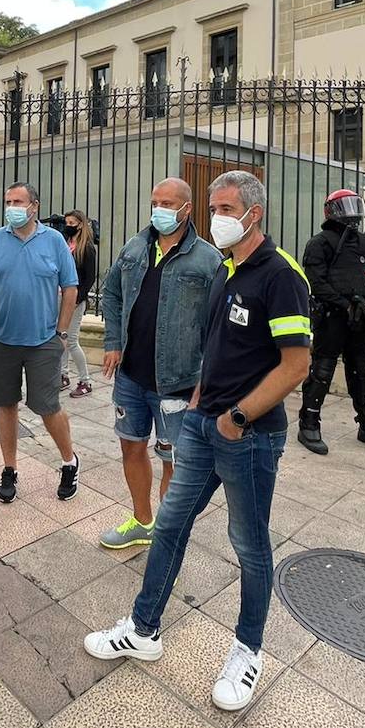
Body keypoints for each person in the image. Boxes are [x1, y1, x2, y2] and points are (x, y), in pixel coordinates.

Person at [84, 171, 310, 713]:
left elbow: (296, 364)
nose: (218, 216)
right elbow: (215, 344)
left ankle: (247, 651)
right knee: (170, 524)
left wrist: (237, 415)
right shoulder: (227, 269)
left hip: (249, 436)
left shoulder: (280, 276)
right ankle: (143, 628)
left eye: (227, 207)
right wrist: (203, 402)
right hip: (204, 423)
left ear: (254, 212)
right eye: (214, 206)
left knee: (249, 545)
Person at [98, 178, 221, 549]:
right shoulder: (136, 246)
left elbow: (218, 325)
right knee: (131, 446)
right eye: (155, 202)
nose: (159, 210)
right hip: (131, 377)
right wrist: (113, 342)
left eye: (168, 203)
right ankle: (142, 521)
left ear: (186, 209)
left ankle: (166, 538)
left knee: (173, 460)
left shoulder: (207, 259)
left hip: (179, 382)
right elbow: (112, 293)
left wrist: (206, 379)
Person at [0, 182, 80, 504]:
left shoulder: (53, 242)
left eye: (17, 201)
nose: (11, 207)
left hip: (43, 342)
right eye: (7, 201)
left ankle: (69, 461)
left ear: (34, 206)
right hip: (1, 341)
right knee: (6, 405)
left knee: (48, 407)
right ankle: (9, 468)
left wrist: (62, 334)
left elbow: (70, 288)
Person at [297, 189, 365, 455]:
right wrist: (346, 305)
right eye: (345, 206)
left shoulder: (363, 243)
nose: (351, 211)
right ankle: (309, 422)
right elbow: (317, 283)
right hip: (332, 317)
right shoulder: (319, 243)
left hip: (361, 318)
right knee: (322, 370)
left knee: (361, 371)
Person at [62, 210, 99, 398]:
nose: (68, 225)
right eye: (66, 221)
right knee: (61, 337)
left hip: (75, 300)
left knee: (71, 340)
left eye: (72, 222)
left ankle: (85, 381)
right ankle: (63, 375)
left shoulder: (87, 248)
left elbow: (90, 277)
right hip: (61, 297)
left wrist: (78, 299)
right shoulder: (66, 244)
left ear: (80, 224)